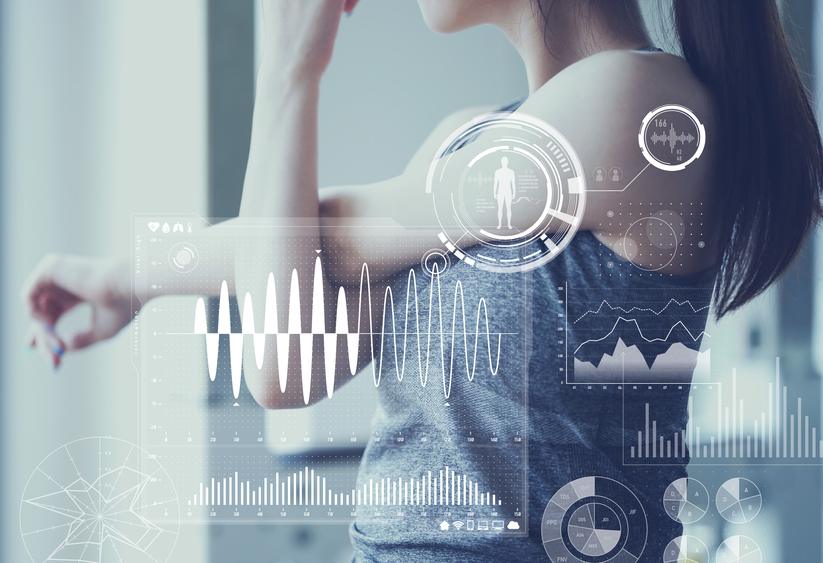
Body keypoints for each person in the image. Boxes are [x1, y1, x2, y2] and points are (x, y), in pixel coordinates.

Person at [21, 0, 823, 561]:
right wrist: (122, 282)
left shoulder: (642, 106)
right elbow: (285, 357)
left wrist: (289, 72)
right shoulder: (463, 146)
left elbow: (319, 236)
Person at [494, 157, 516, 229]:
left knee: (508, 208)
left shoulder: (511, 172)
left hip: (508, 191)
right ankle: (499, 224)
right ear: (501, 162)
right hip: (500, 191)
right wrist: (494, 192)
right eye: (503, 161)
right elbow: (495, 183)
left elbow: (513, 183)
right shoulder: (497, 172)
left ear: (507, 162)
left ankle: (509, 224)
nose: (504, 162)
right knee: (500, 208)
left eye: (505, 161)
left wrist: (514, 192)